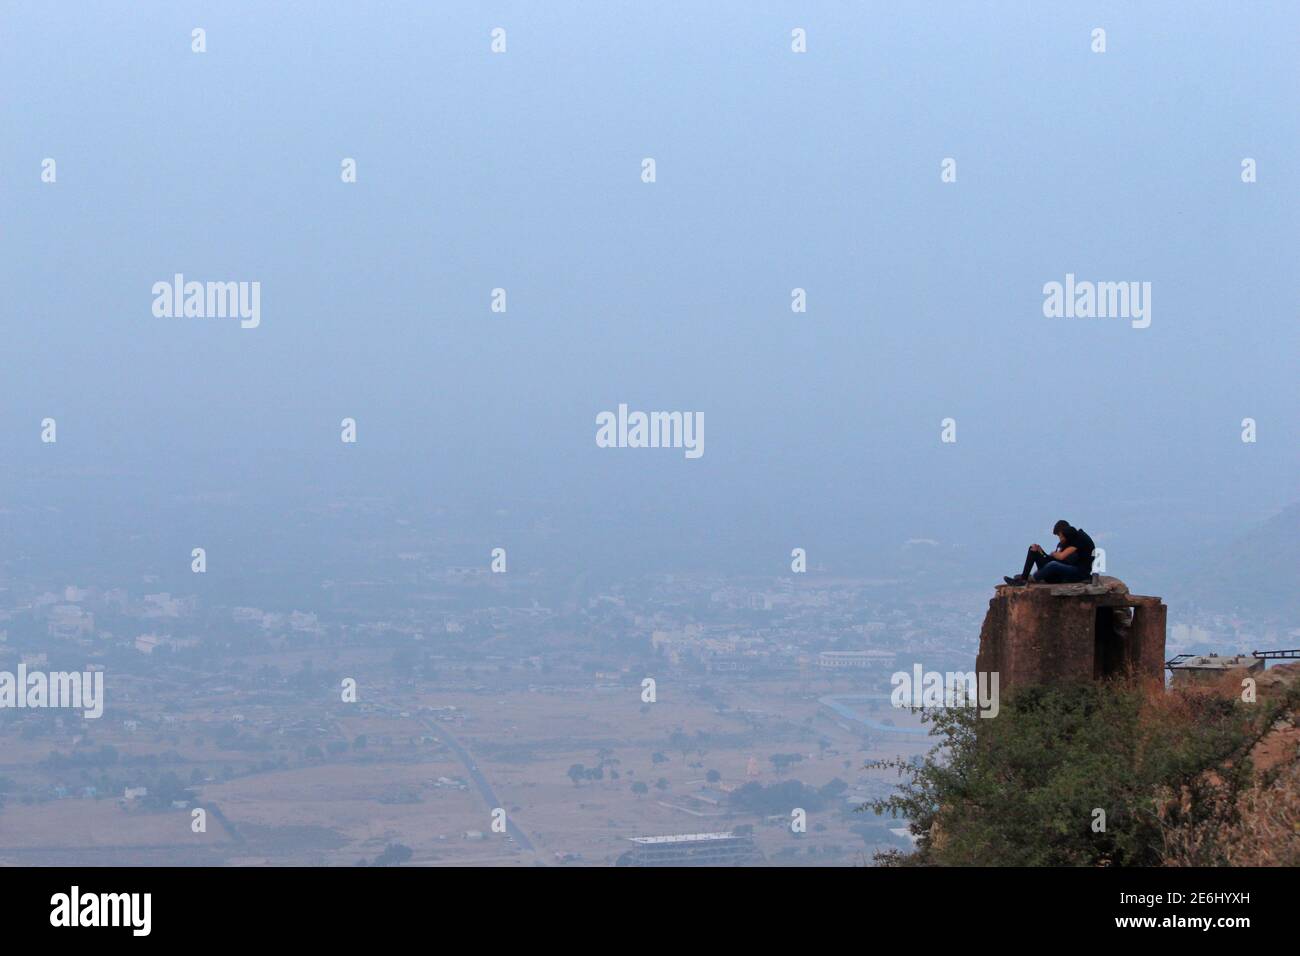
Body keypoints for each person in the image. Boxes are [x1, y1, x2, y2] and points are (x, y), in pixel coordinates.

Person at [1004, 520, 1095, 585]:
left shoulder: (1078, 540)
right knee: (1033, 549)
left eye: (1060, 536)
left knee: (1053, 565)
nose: (1060, 539)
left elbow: (1061, 558)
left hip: (1068, 575)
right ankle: (1023, 578)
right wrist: (1041, 552)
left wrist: (1054, 554)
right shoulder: (1067, 542)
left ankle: (1030, 580)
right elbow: (1054, 560)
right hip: (1056, 572)